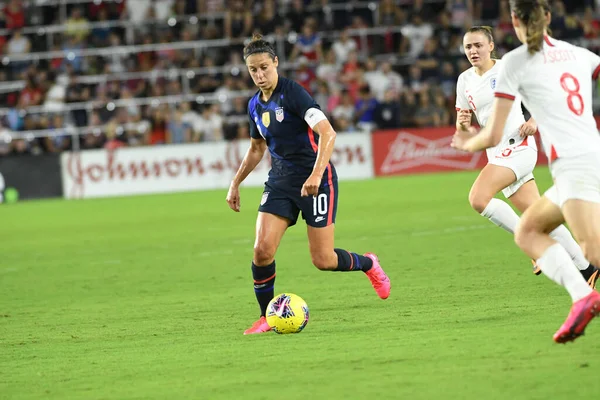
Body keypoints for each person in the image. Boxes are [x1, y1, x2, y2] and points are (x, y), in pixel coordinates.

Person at [451, 0, 600, 343]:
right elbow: (466, 115)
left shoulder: (511, 65)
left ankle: (570, 277)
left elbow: (518, 111)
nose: (473, 50)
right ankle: (584, 272)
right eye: (467, 46)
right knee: (539, 222)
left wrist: (471, 143)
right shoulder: (574, 52)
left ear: (493, 42)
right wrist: (463, 125)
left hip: (518, 149)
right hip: (516, 153)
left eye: (478, 44)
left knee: (478, 198)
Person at [226, 34, 391, 335]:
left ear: (276, 62)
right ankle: (266, 316)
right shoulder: (254, 106)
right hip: (280, 182)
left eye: (264, 67)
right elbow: (256, 148)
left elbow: (328, 134)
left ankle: (368, 264)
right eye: (253, 70)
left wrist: (315, 175)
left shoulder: (294, 94)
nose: (260, 75)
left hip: (319, 181)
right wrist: (235, 183)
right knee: (262, 250)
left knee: (323, 260)